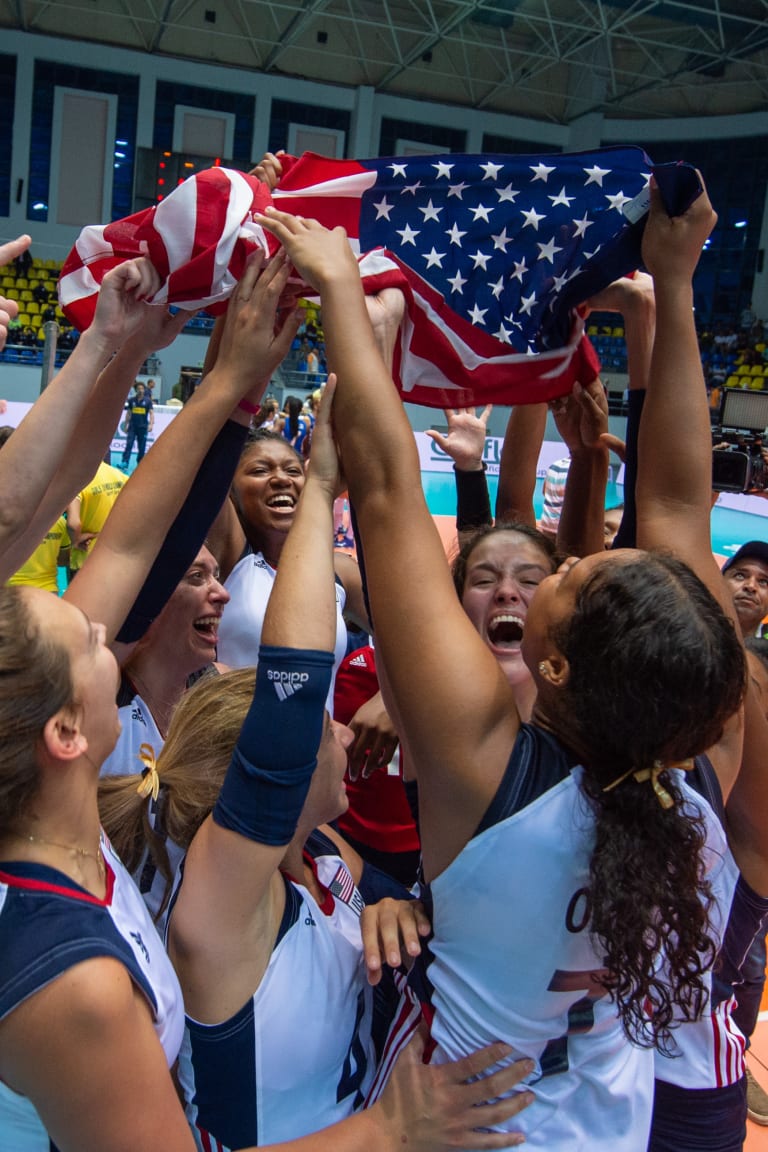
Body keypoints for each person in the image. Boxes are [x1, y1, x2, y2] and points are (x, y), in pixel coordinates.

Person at [256, 178, 750, 1150]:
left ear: (556, 666)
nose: (572, 560)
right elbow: (684, 508)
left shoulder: (491, 776)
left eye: (573, 580)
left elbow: (390, 492)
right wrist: (677, 284)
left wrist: (347, 302)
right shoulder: (696, 776)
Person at [66, 459, 129, 580]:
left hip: (84, 557)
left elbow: (73, 524)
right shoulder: (119, 476)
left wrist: (76, 540)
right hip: (114, 555)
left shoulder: (77, 481)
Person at [721, 540, 768, 637]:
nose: (751, 586)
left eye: (763, 582)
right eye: (740, 576)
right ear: (719, 583)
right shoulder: (687, 631)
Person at [121, 380, 154, 467]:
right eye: (138, 388)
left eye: (142, 388)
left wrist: (151, 424)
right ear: (136, 390)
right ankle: (125, 462)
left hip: (143, 427)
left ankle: (140, 463)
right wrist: (125, 425)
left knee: (141, 447)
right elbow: (128, 413)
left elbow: (151, 413)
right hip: (132, 426)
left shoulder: (148, 401)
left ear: (144, 390)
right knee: (129, 444)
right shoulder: (131, 401)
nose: (140, 390)